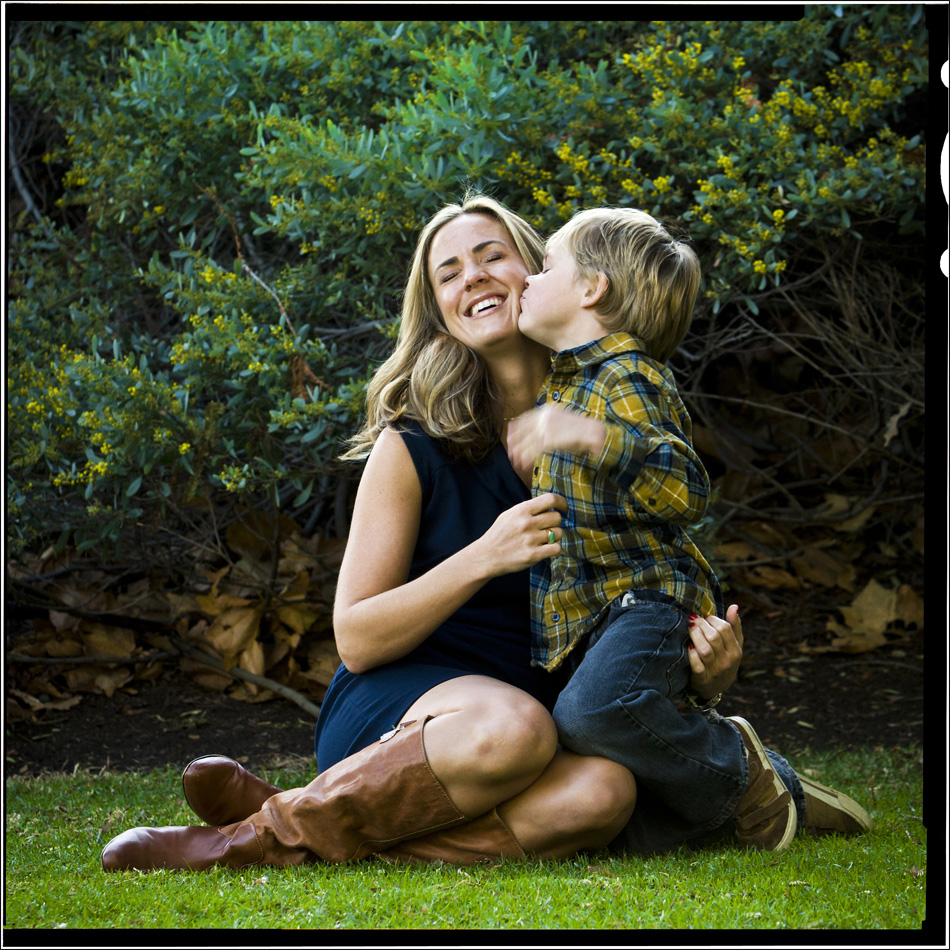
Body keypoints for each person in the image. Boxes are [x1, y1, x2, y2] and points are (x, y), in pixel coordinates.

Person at [99, 195, 863, 873]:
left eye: (492, 255)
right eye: (448, 272)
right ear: (437, 310)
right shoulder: (412, 448)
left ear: (540, 275)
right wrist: (483, 556)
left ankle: (308, 816)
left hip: (540, 726)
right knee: (511, 725)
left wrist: (706, 678)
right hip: (418, 715)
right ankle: (251, 841)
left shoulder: (605, 418)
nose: (473, 277)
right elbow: (358, 639)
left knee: (603, 792)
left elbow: (649, 572)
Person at [507, 206, 871, 854]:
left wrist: (586, 435)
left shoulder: (626, 377)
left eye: (546, 266)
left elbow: (684, 489)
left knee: (592, 713)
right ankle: (781, 784)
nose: (529, 280)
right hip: (595, 618)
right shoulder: (567, 384)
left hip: (645, 601)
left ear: (593, 289)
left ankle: (743, 771)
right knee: (595, 754)